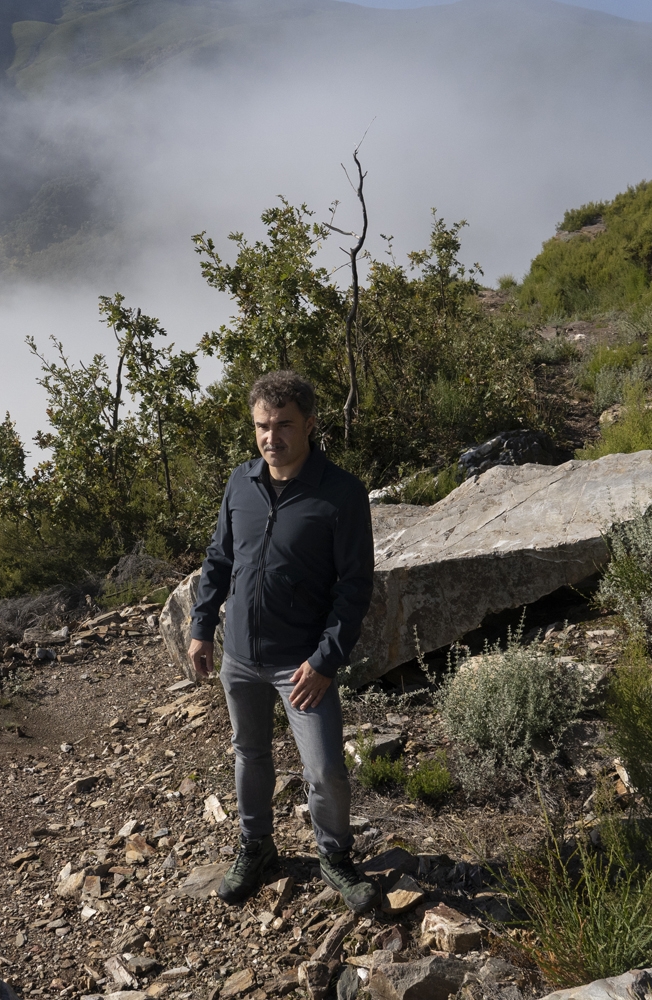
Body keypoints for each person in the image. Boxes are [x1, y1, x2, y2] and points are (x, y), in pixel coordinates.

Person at [187, 370, 379, 914]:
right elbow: (219, 558)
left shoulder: (341, 494)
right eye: (262, 426)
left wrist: (325, 661)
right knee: (249, 753)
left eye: (284, 425)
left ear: (310, 424)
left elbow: (354, 588)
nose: (272, 437)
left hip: (302, 665)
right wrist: (202, 625)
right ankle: (257, 846)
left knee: (323, 769)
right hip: (240, 656)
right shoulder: (239, 483)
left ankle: (335, 858)